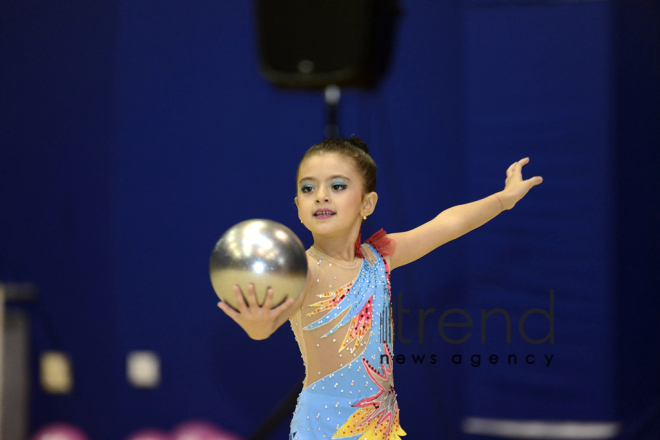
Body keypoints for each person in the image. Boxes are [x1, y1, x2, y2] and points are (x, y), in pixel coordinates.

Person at [217, 137, 543, 440]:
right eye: (308, 188)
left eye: (338, 185)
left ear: (367, 203)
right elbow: (269, 322)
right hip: (324, 426)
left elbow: (448, 224)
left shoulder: (380, 258)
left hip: (380, 425)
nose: (321, 195)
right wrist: (258, 326)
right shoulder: (303, 269)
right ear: (298, 206)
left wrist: (503, 199)